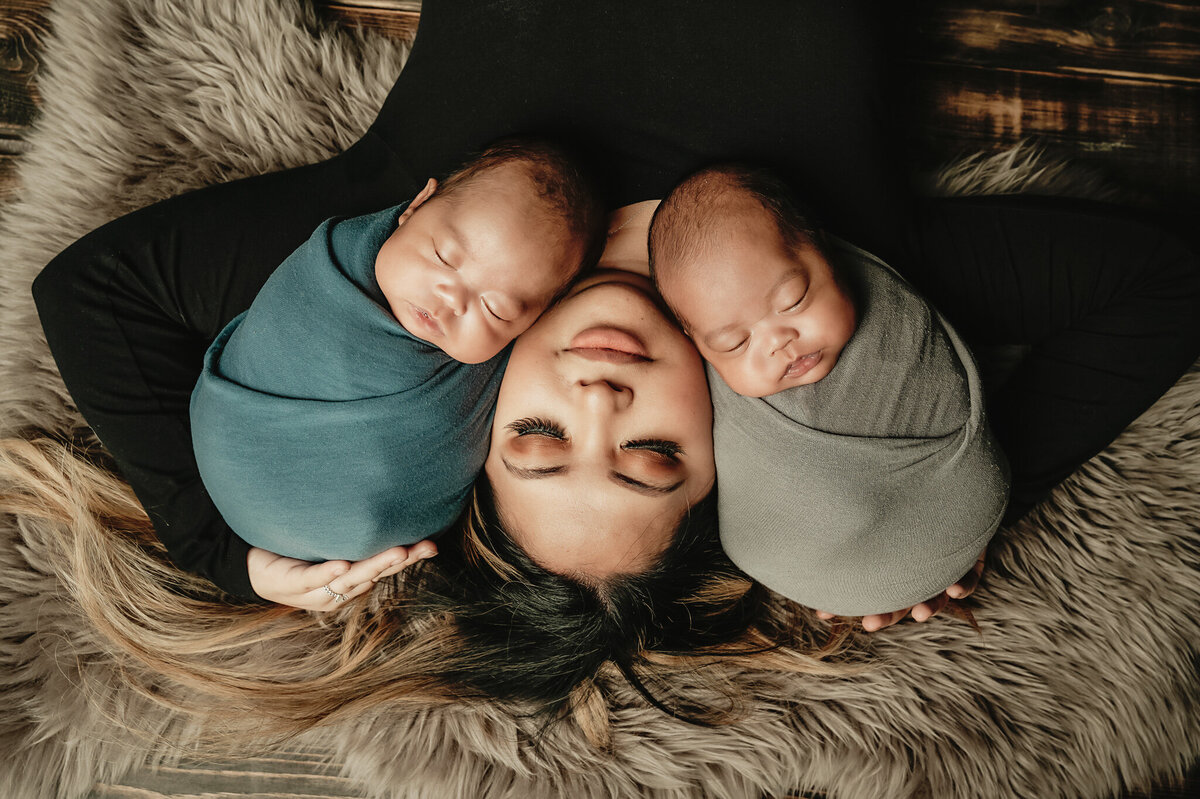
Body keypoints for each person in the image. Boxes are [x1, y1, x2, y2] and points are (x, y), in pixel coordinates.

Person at [20, 0, 1200, 735]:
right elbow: (1168, 287)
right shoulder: (836, 270)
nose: (596, 398)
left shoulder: (415, 238)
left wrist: (220, 547)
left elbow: (90, 293)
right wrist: (954, 500)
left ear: (471, 417)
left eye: (538, 441)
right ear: (727, 441)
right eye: (649, 454)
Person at [189, 138, 604, 567]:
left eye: (495, 309)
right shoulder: (333, 263)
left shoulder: (504, 371)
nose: (451, 299)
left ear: (535, 323)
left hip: (350, 539)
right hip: (225, 440)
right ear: (415, 206)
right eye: (444, 257)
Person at [648, 164, 1008, 618]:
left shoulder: (889, 322)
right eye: (734, 343)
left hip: (958, 512)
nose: (778, 341)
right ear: (696, 346)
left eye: (793, 301)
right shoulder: (702, 391)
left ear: (825, 249)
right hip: (801, 564)